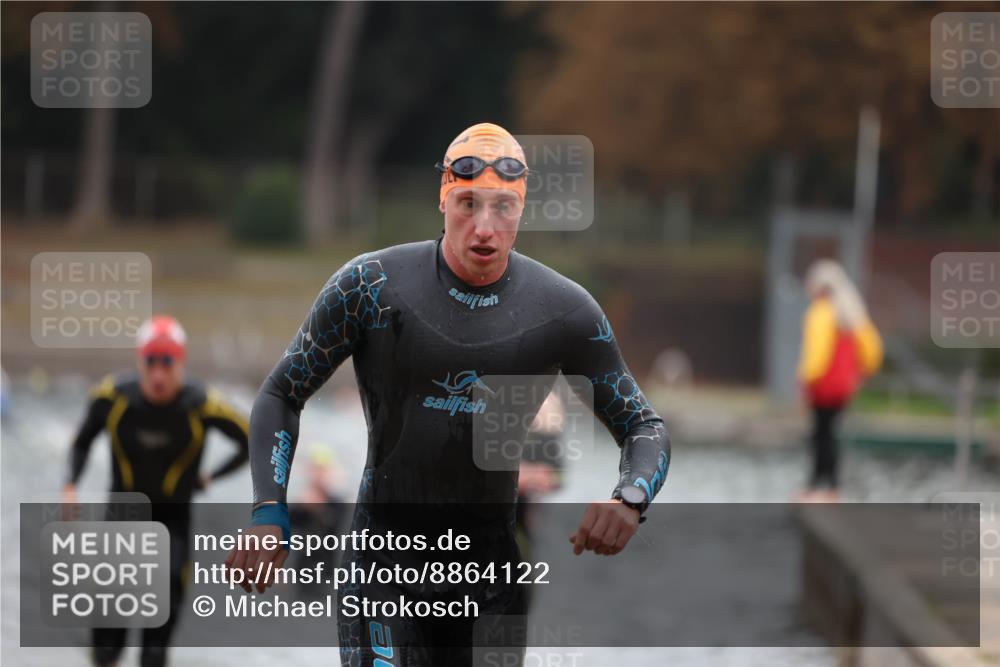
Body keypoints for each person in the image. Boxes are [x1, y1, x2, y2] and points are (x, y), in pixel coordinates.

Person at [226, 123, 672, 666]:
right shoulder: (370, 285)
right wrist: (268, 511)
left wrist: (630, 498)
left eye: (503, 208)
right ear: (443, 198)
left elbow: (644, 426)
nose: (484, 228)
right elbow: (282, 392)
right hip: (382, 569)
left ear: (522, 210)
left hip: (490, 584)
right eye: (467, 204)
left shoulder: (564, 312)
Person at [64, 315, 250, 667]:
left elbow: (250, 441)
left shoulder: (202, 404)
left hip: (173, 523)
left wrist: (212, 476)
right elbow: (81, 442)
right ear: (140, 362)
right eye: (151, 362)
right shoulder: (112, 397)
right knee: (106, 647)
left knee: (155, 646)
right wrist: (70, 485)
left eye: (168, 363)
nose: (159, 374)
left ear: (181, 363)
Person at [797, 259, 883, 502]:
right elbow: (872, 350)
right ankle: (831, 486)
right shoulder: (853, 314)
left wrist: (806, 379)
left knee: (820, 434)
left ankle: (816, 485)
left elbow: (817, 354)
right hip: (844, 386)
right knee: (830, 434)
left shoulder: (821, 312)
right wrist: (863, 372)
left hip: (823, 386)